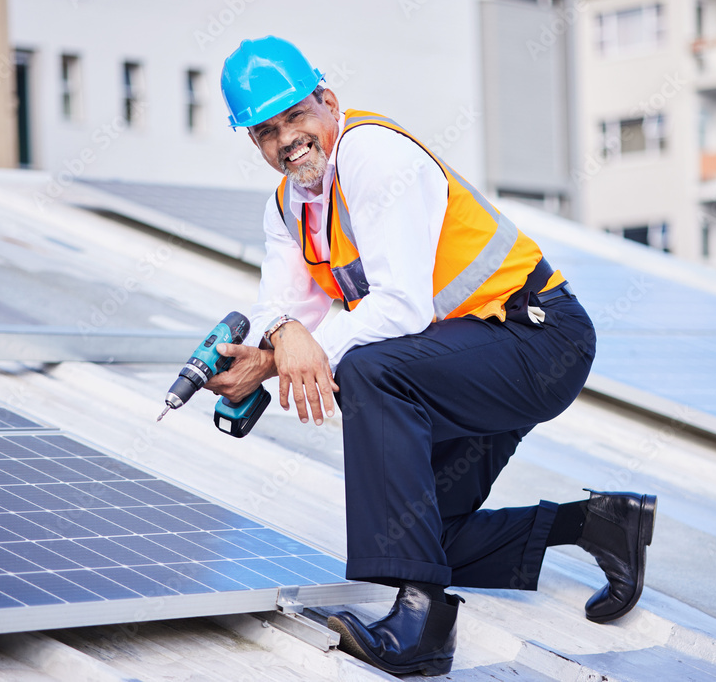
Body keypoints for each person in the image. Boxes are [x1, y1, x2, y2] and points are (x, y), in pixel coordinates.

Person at [208, 35, 657, 677]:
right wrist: (266, 347)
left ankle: (419, 619)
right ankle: (601, 524)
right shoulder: (288, 206)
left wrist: (289, 356)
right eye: (266, 131)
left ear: (328, 102)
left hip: (537, 337)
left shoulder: (373, 156)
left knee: (366, 369)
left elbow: (401, 306)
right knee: (419, 534)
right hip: (463, 362)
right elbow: (286, 312)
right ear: (254, 142)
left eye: (296, 116)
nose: (287, 139)